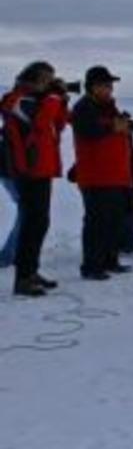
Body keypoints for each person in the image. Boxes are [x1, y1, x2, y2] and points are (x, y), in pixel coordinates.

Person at [0, 61, 68, 296]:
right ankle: (23, 278)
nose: (51, 83)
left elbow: (57, 125)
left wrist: (62, 100)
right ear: (34, 79)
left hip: (41, 169)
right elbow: (39, 123)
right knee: (32, 223)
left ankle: (31, 271)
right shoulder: (17, 99)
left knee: (40, 223)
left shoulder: (41, 101)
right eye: (48, 79)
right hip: (27, 171)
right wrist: (54, 97)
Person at [71, 66, 133, 281]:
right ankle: (91, 266)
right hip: (96, 176)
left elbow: (114, 128)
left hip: (115, 175)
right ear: (93, 87)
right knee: (96, 222)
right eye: (105, 85)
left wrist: (126, 126)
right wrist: (114, 128)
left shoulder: (108, 107)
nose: (109, 89)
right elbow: (88, 132)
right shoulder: (83, 108)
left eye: (110, 85)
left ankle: (109, 260)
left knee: (114, 221)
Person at [0, 114, 21, 268]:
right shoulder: (12, 130)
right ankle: (8, 255)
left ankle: (10, 253)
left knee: (26, 212)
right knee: (26, 212)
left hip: (11, 173)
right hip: (12, 174)